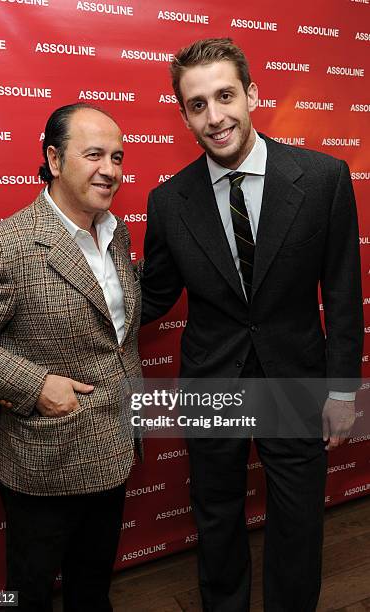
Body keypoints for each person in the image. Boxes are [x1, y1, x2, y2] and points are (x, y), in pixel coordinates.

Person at [141, 38, 363, 612]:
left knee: (298, 518)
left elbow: (342, 294)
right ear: (185, 115)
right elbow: (156, 294)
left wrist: (343, 389)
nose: (215, 117)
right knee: (216, 515)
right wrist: (78, 295)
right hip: (211, 378)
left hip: (296, 377)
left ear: (252, 94)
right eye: (197, 105)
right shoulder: (169, 203)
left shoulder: (323, 178)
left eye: (224, 96)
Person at [0, 102, 142, 612]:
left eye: (117, 157)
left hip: (115, 447)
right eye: (94, 154)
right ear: (54, 160)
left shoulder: (116, 232)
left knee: (92, 588)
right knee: (30, 594)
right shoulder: (7, 248)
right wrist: (35, 386)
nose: (110, 170)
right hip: (45, 463)